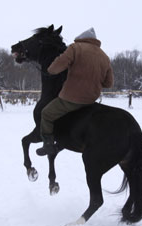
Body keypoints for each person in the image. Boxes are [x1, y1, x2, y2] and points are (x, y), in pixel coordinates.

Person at [36, 28, 114, 156]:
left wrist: (50, 71)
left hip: (71, 98)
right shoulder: (104, 56)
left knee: (46, 114)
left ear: (81, 38)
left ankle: (48, 144)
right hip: (91, 101)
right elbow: (108, 83)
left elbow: (56, 67)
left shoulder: (75, 48)